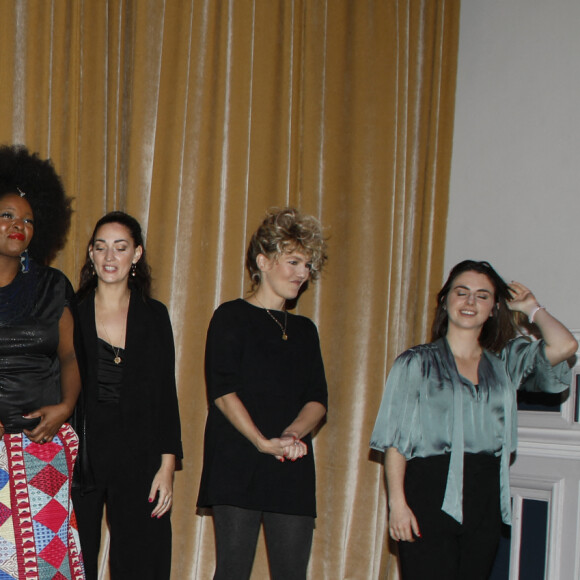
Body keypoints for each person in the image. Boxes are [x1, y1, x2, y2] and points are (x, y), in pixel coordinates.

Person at [370, 260, 577, 580]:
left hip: (484, 498)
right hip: (427, 493)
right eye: (462, 292)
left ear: (494, 307)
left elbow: (565, 346)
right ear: (446, 301)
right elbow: (396, 440)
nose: (470, 302)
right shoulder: (415, 362)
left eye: (482, 296)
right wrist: (397, 504)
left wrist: (532, 308)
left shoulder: (505, 363)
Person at [197, 207, 329, 580]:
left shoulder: (306, 330)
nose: (302, 274)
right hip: (238, 459)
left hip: (290, 462)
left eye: (307, 265)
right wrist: (260, 441)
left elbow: (318, 399)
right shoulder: (230, 316)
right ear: (263, 260)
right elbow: (222, 391)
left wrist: (290, 436)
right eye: (293, 261)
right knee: (233, 572)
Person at [71, 211, 182, 580]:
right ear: (90, 253)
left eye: (121, 248)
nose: (109, 257)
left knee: (142, 563)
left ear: (136, 254)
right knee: (74, 559)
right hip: (81, 455)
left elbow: (166, 394)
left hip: (141, 454)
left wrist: (167, 467)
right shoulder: (71, 313)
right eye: (101, 247)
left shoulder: (154, 316)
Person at [0, 145, 84, 579]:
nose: (19, 226)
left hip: (41, 447)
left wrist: (66, 407)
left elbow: (69, 355)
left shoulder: (53, 286)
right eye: (8, 216)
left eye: (28, 220)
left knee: (46, 566)